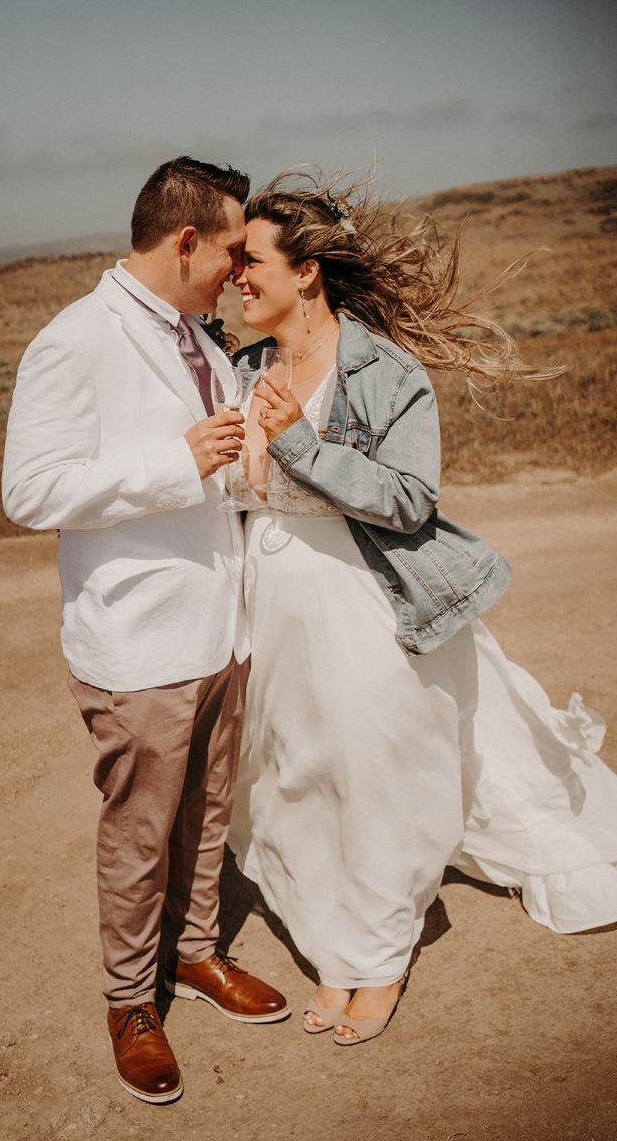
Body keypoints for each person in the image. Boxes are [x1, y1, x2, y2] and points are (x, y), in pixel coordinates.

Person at [225, 174, 617, 1047]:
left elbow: (408, 500)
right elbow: (235, 492)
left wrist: (299, 444)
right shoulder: (244, 367)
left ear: (308, 271)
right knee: (294, 776)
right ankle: (337, 947)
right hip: (273, 604)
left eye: (251, 262)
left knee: (376, 772)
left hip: (363, 598)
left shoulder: (384, 371)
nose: (236, 280)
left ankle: (382, 954)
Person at [2, 157, 288, 1106]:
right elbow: (29, 491)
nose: (239, 269)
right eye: (233, 248)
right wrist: (172, 464)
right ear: (185, 241)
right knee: (139, 833)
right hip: (138, 641)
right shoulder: (74, 341)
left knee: (206, 817)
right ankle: (130, 1001)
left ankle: (197, 954)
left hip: (222, 626)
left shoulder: (201, 339)